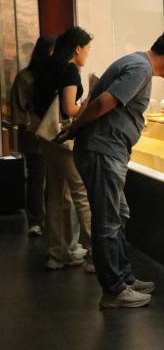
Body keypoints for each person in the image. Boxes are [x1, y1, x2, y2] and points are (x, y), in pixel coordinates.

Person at [62, 30, 164, 309]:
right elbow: (102, 103)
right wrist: (75, 128)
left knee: (118, 214)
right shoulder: (141, 69)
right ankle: (114, 290)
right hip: (103, 151)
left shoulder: (136, 64)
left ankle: (123, 278)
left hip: (108, 151)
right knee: (108, 220)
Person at [33, 27, 94, 271]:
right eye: (87, 49)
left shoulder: (45, 66)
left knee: (57, 193)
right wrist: (87, 106)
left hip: (45, 137)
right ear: (77, 48)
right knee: (81, 192)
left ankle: (58, 252)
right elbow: (69, 109)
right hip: (62, 138)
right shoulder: (69, 70)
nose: (88, 54)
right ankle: (97, 254)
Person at [9, 35, 55, 237]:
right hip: (34, 135)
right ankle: (36, 221)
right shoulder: (25, 77)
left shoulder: (50, 76)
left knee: (50, 180)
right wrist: (31, 126)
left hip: (52, 134)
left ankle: (49, 220)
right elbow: (19, 110)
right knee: (37, 178)